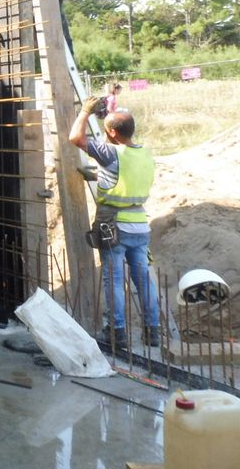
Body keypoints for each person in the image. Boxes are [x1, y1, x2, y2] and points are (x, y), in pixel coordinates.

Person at [70, 98, 160, 347]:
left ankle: (116, 332)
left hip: (115, 227)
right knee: (143, 279)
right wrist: (102, 176)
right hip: (140, 225)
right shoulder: (144, 153)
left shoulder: (111, 152)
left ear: (111, 132)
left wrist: (86, 112)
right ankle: (153, 332)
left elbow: (76, 138)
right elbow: (126, 178)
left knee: (114, 280)